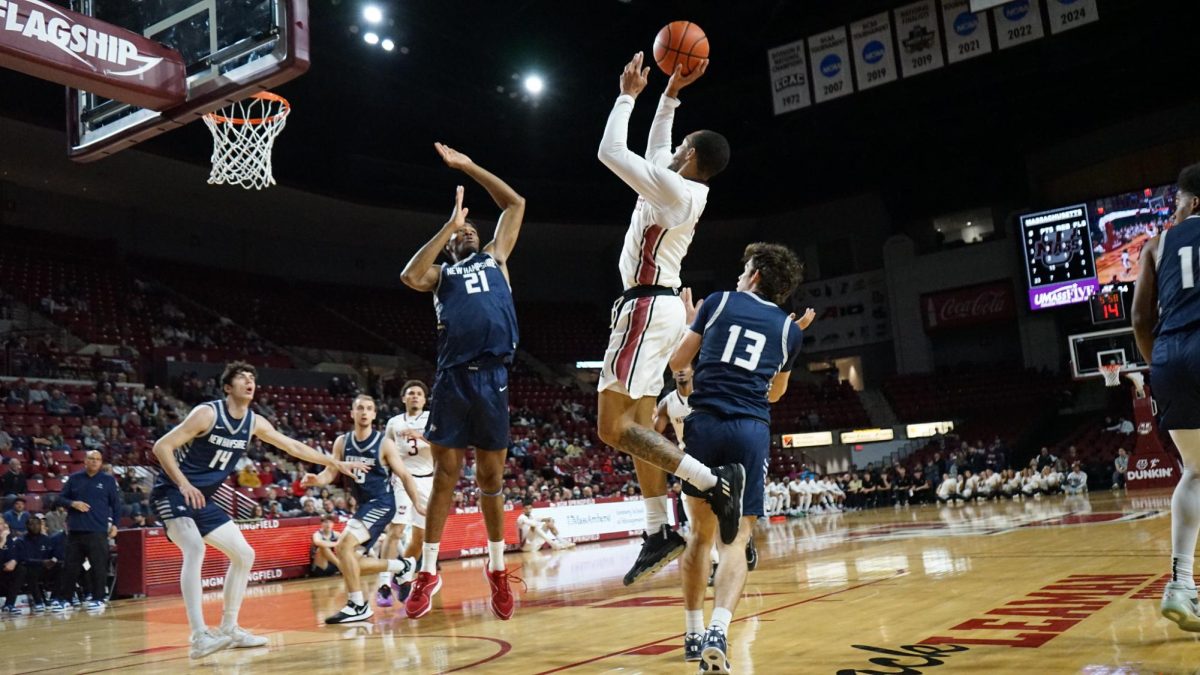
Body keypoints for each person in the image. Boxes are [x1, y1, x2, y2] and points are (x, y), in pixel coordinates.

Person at [594, 50, 737, 587]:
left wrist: (627, 93)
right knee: (636, 427)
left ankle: (710, 481)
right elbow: (656, 149)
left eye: (681, 147)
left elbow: (611, 151)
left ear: (693, 155)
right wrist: (670, 96)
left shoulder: (676, 189)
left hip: (646, 306)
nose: (672, 150)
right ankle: (657, 530)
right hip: (661, 308)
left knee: (613, 428)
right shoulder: (677, 183)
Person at [148, 361, 367, 658]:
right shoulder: (207, 413)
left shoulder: (253, 422)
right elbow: (162, 446)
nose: (249, 381)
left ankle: (229, 628)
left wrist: (335, 463)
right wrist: (184, 484)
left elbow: (293, 447)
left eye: (252, 377)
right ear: (228, 387)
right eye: (242, 377)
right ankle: (199, 636)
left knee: (244, 554)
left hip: (203, 500)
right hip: (173, 491)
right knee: (195, 548)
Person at [398, 143, 526, 621]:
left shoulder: (497, 258)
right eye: (462, 232)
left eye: (472, 229)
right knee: (446, 479)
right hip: (452, 380)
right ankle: (428, 572)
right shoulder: (442, 274)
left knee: (491, 479)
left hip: (493, 378)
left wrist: (470, 166)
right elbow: (410, 275)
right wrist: (447, 227)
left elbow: (515, 204)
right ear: (452, 243)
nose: (469, 232)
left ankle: (496, 569)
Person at [670, 243, 809, 670]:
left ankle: (693, 633)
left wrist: (692, 327)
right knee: (738, 540)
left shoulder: (718, 302)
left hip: (705, 424)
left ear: (756, 276)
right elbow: (777, 393)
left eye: (743, 268)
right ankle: (719, 629)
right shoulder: (790, 331)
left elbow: (678, 361)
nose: (737, 276)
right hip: (749, 429)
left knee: (699, 536)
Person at [1131, 163, 1200, 632]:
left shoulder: (1155, 246)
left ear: (1192, 202)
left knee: (1196, 470)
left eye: (1175, 202)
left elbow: (1139, 317)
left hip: (1169, 355)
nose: (1171, 211)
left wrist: (1163, 362)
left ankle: (1180, 584)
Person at [304, 394, 423, 624]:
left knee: (343, 546)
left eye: (369, 408)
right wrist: (316, 480)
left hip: (381, 503)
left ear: (374, 414)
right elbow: (331, 471)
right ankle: (402, 565)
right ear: (352, 413)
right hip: (363, 506)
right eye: (360, 408)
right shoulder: (342, 442)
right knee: (351, 561)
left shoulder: (384, 444)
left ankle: (357, 605)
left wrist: (416, 502)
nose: (364, 412)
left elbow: (405, 475)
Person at [377, 379, 434, 606]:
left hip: (427, 481)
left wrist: (421, 437)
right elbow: (385, 450)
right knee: (396, 530)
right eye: (410, 393)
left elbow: (444, 444)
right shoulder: (393, 422)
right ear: (403, 398)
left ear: (424, 398)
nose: (414, 396)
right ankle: (383, 583)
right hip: (401, 479)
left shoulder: (432, 418)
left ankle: (404, 576)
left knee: (420, 537)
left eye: (419, 393)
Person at [49, 449, 119, 613]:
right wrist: (73, 503)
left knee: (98, 566)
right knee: (70, 567)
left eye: (98, 459)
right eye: (91, 458)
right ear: (85, 461)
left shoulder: (108, 480)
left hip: (98, 530)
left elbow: (116, 504)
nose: (94, 461)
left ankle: (98, 598)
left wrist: (115, 524)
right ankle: (65, 600)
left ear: (101, 462)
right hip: (76, 531)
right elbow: (60, 498)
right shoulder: (74, 479)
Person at [21, 515, 57, 612]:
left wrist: (53, 561)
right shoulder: (21, 540)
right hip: (31, 569)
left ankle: (55, 598)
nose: (35, 526)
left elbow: (53, 554)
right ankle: (38, 601)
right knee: (30, 571)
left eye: (37, 524)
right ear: (27, 526)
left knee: (62, 567)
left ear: (41, 525)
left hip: (46, 569)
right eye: (32, 524)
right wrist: (42, 562)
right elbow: (23, 559)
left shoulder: (47, 539)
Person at [0, 520, 23, 615]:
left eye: (3, 523)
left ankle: (9, 604)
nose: (4, 525)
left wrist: (14, 561)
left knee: (21, 569)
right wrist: (2, 541)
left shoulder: (9, 538)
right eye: (0, 524)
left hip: (5, 568)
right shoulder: (5, 538)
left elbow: (14, 553)